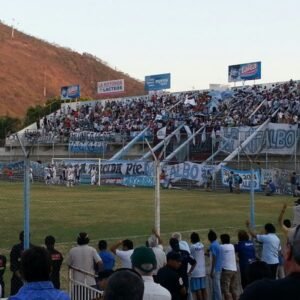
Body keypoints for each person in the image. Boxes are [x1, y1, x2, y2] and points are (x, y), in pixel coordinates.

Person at [240, 224, 300, 300]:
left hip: (268, 262)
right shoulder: (277, 238)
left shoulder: (254, 291)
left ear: (288, 252)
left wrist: (248, 227)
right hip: (275, 261)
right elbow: (279, 250)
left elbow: (255, 235)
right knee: (273, 278)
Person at [219, 234, 239, 300]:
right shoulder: (232, 246)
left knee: (226, 291)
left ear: (222, 240)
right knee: (233, 290)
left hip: (226, 270)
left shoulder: (221, 247)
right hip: (234, 269)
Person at [189, 232, 207, 300]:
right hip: (202, 270)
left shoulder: (192, 247)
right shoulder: (202, 245)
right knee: (203, 288)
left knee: (197, 290)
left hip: (195, 271)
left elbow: (189, 255)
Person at [10, 231, 28, 296]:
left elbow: (13, 265)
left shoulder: (15, 248)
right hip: (30, 280)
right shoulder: (33, 248)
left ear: (20, 238)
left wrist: (21, 278)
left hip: (17, 280)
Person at [207, 229, 222, 300]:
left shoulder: (213, 245)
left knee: (216, 288)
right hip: (219, 268)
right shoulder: (216, 243)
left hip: (215, 269)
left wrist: (212, 271)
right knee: (214, 288)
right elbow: (208, 251)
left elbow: (214, 258)